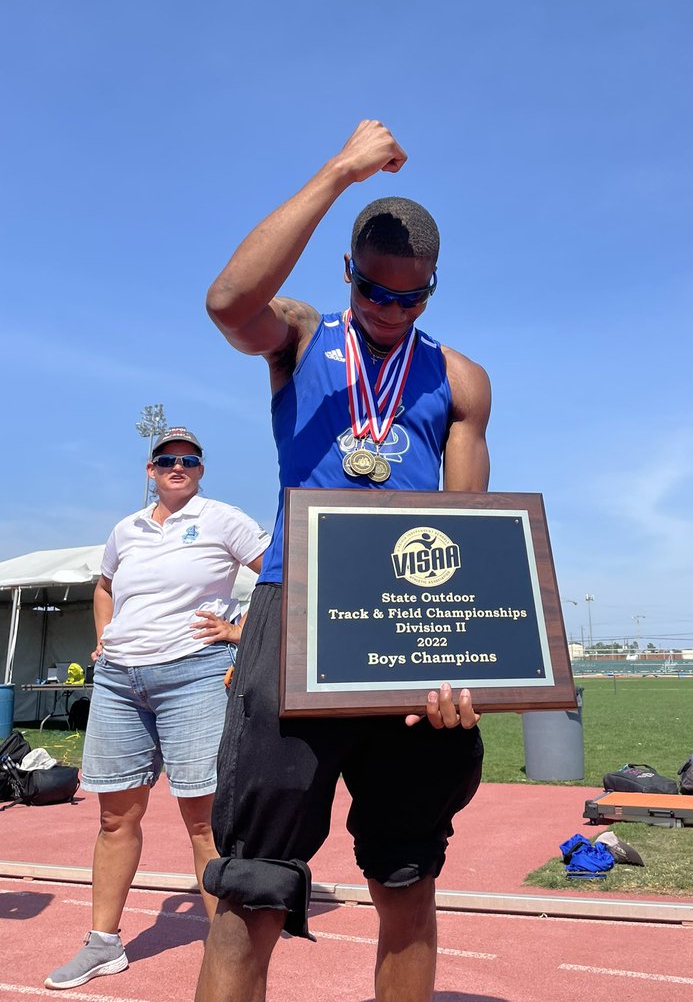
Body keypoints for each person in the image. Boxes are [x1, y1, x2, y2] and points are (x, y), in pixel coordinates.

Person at [195, 120, 492, 1002]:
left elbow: (469, 535)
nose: (389, 310)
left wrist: (466, 658)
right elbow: (226, 304)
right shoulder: (297, 336)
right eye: (373, 290)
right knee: (251, 886)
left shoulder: (463, 380)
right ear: (349, 273)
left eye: (410, 298)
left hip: (408, 636)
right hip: (297, 616)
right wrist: (339, 171)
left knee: (407, 875)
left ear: (431, 292)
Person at [45, 427, 270, 991]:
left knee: (204, 820)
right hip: (120, 680)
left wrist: (241, 635)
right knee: (115, 817)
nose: (178, 467)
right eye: (167, 459)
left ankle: (227, 953)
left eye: (189, 461)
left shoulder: (224, 519)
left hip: (193, 672)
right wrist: (104, 636)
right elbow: (104, 586)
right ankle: (103, 945)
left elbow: (280, 576)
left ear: (200, 470)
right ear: (151, 469)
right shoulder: (127, 528)